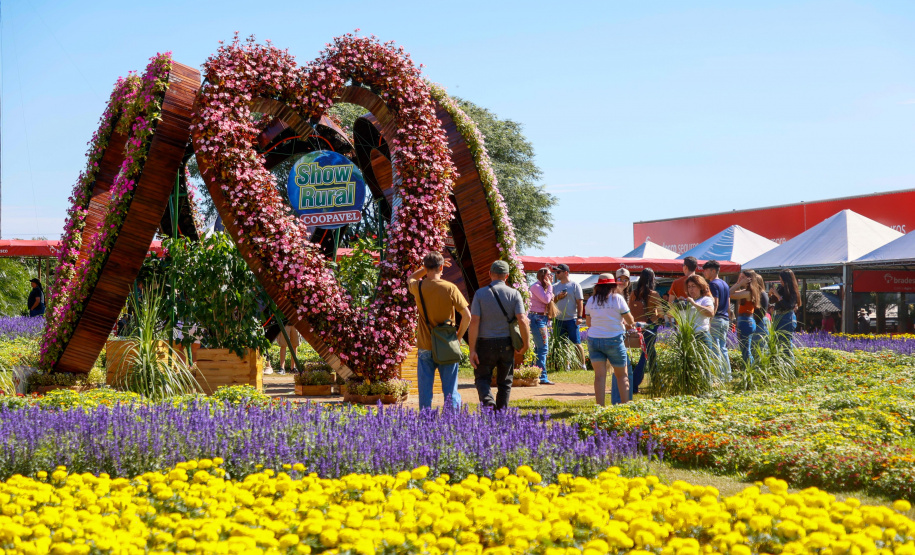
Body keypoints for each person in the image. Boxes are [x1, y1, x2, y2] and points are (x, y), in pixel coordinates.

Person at [408, 252, 472, 410]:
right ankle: (452, 422)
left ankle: (426, 421)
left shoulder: (418, 287)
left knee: (425, 391)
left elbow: (410, 278)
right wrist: (458, 337)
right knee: (450, 390)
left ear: (425, 267)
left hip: (425, 345)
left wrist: (423, 270)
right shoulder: (450, 288)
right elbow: (467, 316)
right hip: (447, 345)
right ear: (442, 267)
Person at [468, 260, 530, 409]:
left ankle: (488, 403)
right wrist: (526, 343)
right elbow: (522, 319)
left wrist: (472, 350)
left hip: (485, 343)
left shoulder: (480, 294)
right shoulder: (514, 293)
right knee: (505, 382)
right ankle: (501, 415)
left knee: (482, 378)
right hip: (506, 343)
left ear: (490, 274)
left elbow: (474, 321)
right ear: (506, 276)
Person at [585, 274, 636, 406]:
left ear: (598, 286)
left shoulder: (591, 300)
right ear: (613, 285)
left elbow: (589, 323)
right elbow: (630, 320)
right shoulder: (617, 299)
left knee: (599, 377)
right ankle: (625, 407)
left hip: (594, 339)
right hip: (614, 339)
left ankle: (600, 407)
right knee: (622, 376)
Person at [628, 268, 663, 394]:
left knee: (651, 354)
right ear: (652, 279)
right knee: (646, 355)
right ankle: (634, 383)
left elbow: (629, 310)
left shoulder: (634, 293)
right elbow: (660, 313)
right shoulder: (654, 294)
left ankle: (658, 382)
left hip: (637, 326)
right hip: (650, 327)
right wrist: (653, 318)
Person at [702, 260, 732, 381]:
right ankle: (727, 375)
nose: (704, 273)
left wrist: (710, 319)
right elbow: (729, 304)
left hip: (716, 318)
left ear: (713, 271)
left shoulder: (713, 284)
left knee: (715, 348)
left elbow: (715, 303)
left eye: (706, 270)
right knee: (723, 348)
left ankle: (718, 375)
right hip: (725, 318)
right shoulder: (724, 284)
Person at [552, 263, 584, 367]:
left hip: (572, 319)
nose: (556, 274)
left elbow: (580, 302)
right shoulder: (555, 287)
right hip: (558, 320)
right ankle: (567, 366)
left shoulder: (575, 285)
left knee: (577, 343)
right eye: (556, 272)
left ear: (566, 273)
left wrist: (579, 317)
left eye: (558, 272)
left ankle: (582, 365)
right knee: (563, 344)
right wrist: (558, 297)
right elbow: (551, 302)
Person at [528, 267, 555, 384]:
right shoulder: (536, 287)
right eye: (549, 274)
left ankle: (536, 374)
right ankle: (542, 377)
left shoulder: (539, 287)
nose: (551, 276)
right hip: (537, 319)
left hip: (540, 318)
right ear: (544, 276)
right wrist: (550, 287)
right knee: (543, 348)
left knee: (539, 348)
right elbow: (546, 300)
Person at [730, 270, 762, 364]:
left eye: (743, 277)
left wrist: (739, 284)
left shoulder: (748, 292)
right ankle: (749, 369)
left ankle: (750, 369)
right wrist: (738, 283)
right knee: (745, 348)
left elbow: (729, 293)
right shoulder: (747, 291)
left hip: (746, 321)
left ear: (749, 279)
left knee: (745, 349)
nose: (741, 279)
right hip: (745, 321)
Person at [680, 275, 717, 355]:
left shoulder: (705, 299)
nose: (691, 289)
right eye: (689, 287)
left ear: (700, 287)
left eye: (693, 286)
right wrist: (678, 305)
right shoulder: (687, 301)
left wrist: (694, 304)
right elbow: (669, 314)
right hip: (688, 337)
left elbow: (711, 313)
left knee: (705, 364)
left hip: (701, 336)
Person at [768, 268, 801, 359]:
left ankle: (790, 366)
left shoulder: (793, 291)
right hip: (777, 317)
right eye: (780, 279)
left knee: (786, 345)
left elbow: (789, 306)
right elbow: (773, 301)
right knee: (775, 344)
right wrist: (770, 294)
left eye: (782, 280)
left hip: (787, 317)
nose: (781, 282)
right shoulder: (781, 288)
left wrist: (778, 296)